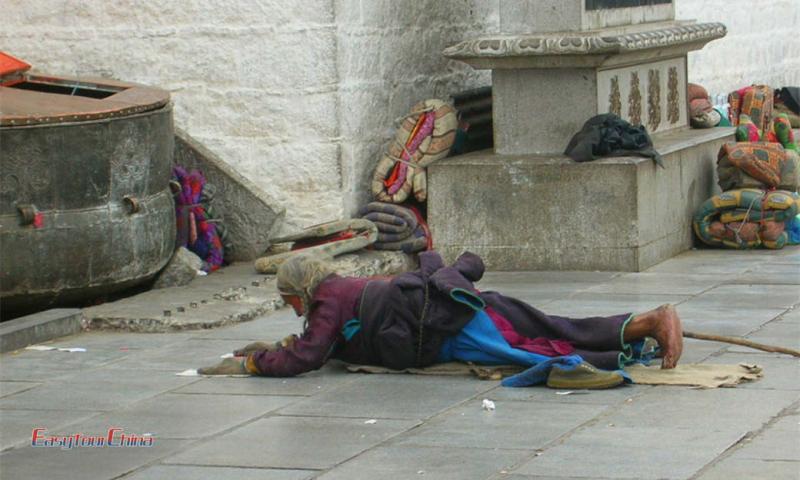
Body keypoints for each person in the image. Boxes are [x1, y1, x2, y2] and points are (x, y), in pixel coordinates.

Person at [199, 251, 683, 388]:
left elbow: (307, 356)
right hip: (452, 313)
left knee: (533, 347)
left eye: (289, 299)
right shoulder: (341, 291)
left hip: (451, 323)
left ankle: (652, 322)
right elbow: (321, 343)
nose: (293, 308)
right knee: (548, 329)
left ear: (300, 290)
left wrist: (257, 364)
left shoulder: (326, 300)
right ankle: (642, 329)